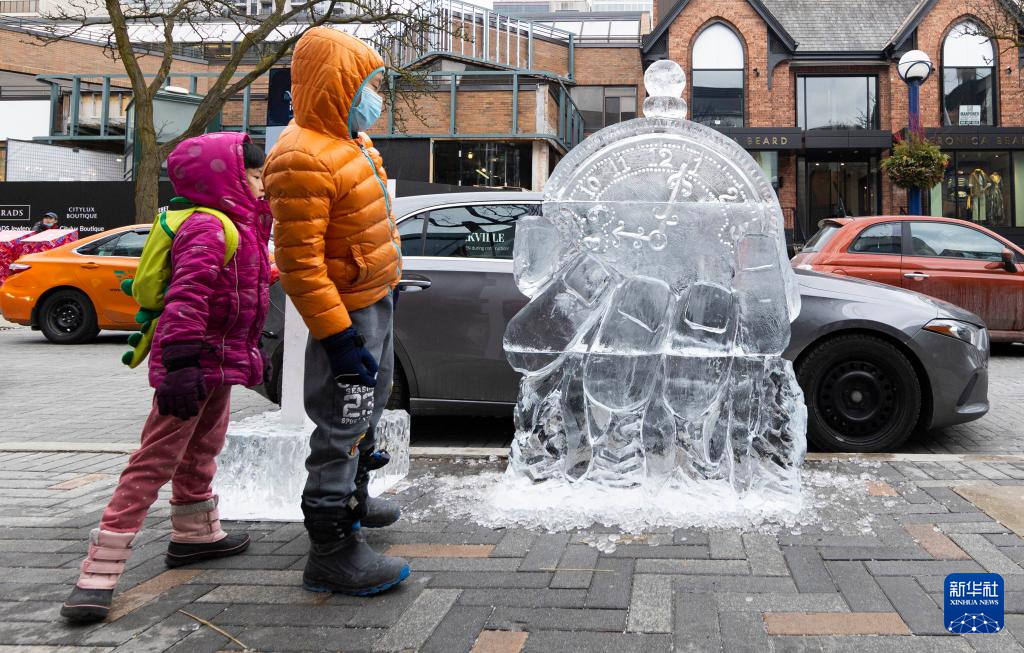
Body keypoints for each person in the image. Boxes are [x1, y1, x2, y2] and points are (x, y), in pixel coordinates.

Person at [61, 132, 273, 623]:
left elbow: (237, 283)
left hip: (217, 361)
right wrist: (179, 364)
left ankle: (195, 535)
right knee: (155, 459)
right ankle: (99, 572)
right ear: (224, 177)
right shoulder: (208, 226)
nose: (262, 185)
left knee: (203, 446)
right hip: (191, 363)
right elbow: (187, 295)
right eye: (254, 175)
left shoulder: (237, 225)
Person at [263, 27, 408, 596]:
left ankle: (356, 498)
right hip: (344, 316)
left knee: (370, 404)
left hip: (374, 299)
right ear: (335, 87)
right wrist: (340, 338)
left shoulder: (352, 142)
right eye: (367, 85)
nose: (376, 97)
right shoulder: (301, 157)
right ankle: (330, 547)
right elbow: (299, 264)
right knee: (342, 419)